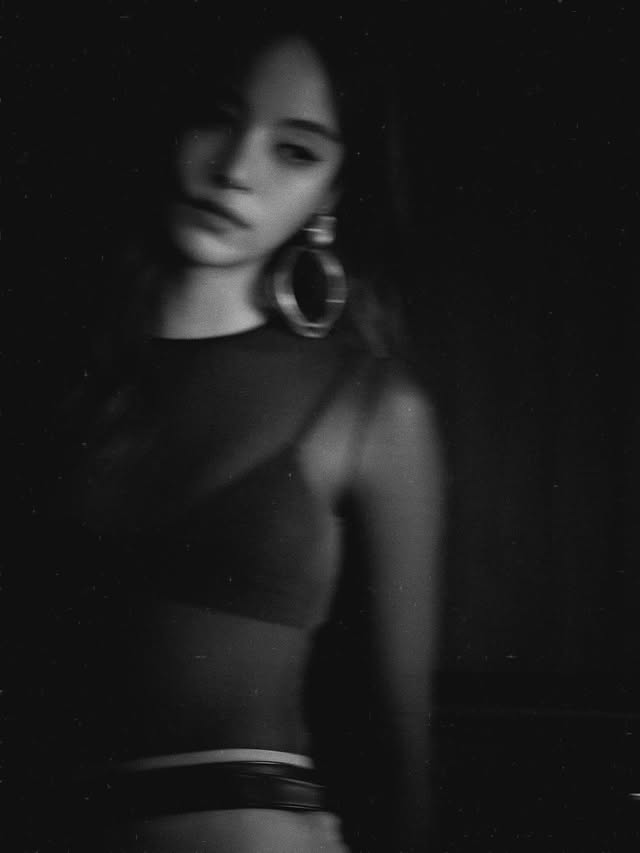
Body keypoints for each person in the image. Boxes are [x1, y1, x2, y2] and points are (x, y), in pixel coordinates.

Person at [29, 11, 445, 852]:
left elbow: (397, 745)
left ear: (332, 194)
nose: (235, 169)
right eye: (215, 117)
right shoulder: (47, 368)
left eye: (294, 150)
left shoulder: (372, 407)